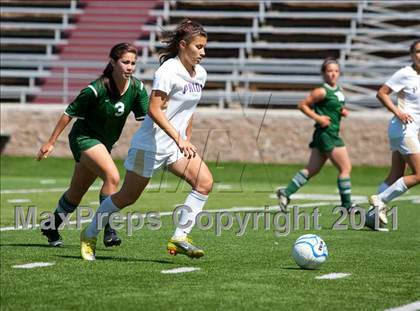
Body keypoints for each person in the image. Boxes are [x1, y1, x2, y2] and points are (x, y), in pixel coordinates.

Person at [80, 19, 212, 261]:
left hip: (175, 146)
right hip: (149, 146)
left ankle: (179, 237)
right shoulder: (168, 71)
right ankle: (89, 234)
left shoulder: (200, 73)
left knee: (204, 183)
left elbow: (189, 110)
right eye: (199, 47)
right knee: (127, 197)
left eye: (204, 47)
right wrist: (178, 138)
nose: (203, 52)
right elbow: (154, 109)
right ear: (183, 45)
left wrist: (186, 138)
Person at [37, 43, 149, 247]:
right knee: (112, 176)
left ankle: (51, 226)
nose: (130, 67)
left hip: (104, 144)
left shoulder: (137, 88)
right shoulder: (95, 89)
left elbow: (149, 118)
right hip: (83, 138)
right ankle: (108, 230)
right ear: (113, 62)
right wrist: (50, 142)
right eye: (125, 62)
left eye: (133, 63)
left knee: (75, 193)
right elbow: (68, 113)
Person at [277, 58, 358, 212]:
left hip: (325, 134)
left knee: (311, 170)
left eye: (336, 71)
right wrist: (318, 118)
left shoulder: (338, 90)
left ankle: (286, 193)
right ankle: (347, 205)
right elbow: (302, 105)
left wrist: (341, 111)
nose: (333, 74)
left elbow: (332, 106)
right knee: (345, 168)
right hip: (327, 134)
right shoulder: (321, 91)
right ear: (323, 73)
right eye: (329, 71)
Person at [367, 40, 420, 231]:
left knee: (396, 174)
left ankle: (372, 217)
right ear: (412, 55)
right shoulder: (406, 73)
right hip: (402, 129)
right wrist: (398, 112)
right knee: (419, 174)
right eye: (418, 51)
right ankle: (380, 200)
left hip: (408, 132)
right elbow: (381, 93)